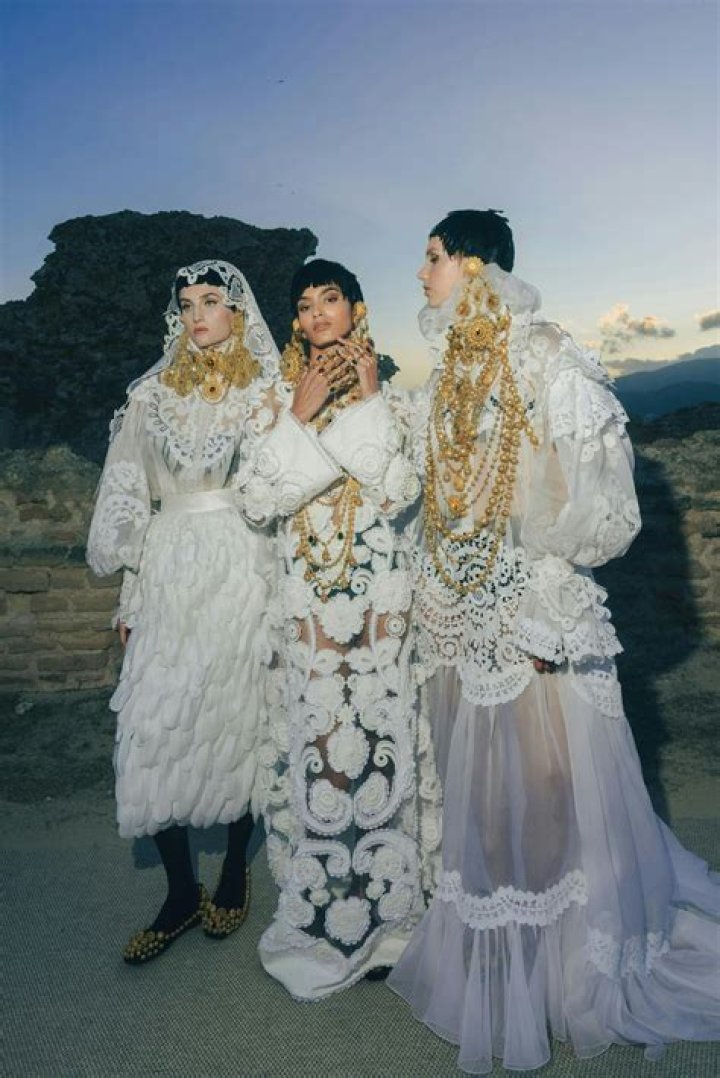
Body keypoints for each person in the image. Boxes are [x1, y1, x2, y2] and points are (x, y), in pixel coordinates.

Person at [388, 211, 720, 1072]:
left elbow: (599, 497)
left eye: (432, 258)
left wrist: (543, 596)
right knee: (483, 795)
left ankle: (560, 962)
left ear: (474, 266)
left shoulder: (544, 353)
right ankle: (508, 960)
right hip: (456, 604)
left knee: (543, 787)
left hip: (524, 602)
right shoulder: (447, 368)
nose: (421, 273)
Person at [238, 259, 442, 999]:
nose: (318, 312)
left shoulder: (393, 398)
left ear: (356, 309)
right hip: (309, 597)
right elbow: (257, 499)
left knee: (382, 737)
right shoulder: (273, 399)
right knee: (325, 746)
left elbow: (399, 491)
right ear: (294, 321)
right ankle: (329, 909)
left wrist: (369, 401)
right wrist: (298, 415)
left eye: (331, 299)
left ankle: (394, 915)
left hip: (380, 593)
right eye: (304, 304)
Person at [87, 259, 279, 963]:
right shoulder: (150, 395)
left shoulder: (266, 390)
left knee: (238, 712)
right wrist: (130, 595)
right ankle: (177, 893)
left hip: (242, 562)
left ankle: (232, 873)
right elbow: (128, 493)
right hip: (168, 565)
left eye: (211, 301)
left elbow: (279, 492)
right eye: (187, 303)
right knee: (155, 718)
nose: (198, 314)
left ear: (237, 312)